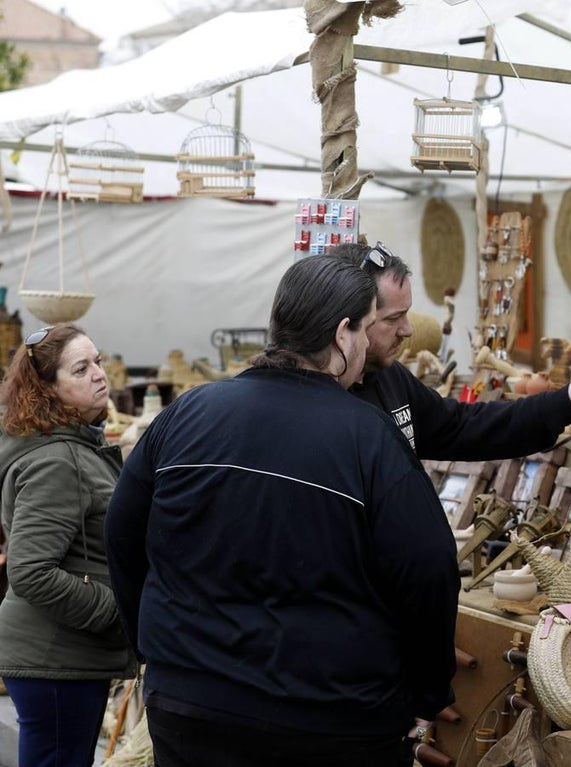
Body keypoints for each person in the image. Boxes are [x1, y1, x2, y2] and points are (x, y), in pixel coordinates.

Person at [104, 256, 459, 767]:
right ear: (342, 334)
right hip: (332, 720)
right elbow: (429, 568)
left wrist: (157, 646)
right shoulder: (368, 436)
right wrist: (427, 692)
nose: (363, 346)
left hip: (190, 707)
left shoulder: (188, 413)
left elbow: (121, 533)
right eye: (363, 329)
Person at [329, 242, 571, 460]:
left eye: (406, 314)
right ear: (351, 323)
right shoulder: (321, 406)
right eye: (393, 318)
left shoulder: (389, 378)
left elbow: (463, 427)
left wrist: (566, 403)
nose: (408, 330)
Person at [0, 323, 136, 767]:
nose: (99, 374)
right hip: (55, 659)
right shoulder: (56, 461)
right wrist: (116, 611)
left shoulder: (72, 448)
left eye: (97, 361)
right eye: (81, 368)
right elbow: (30, 571)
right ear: (48, 390)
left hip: (64, 657)